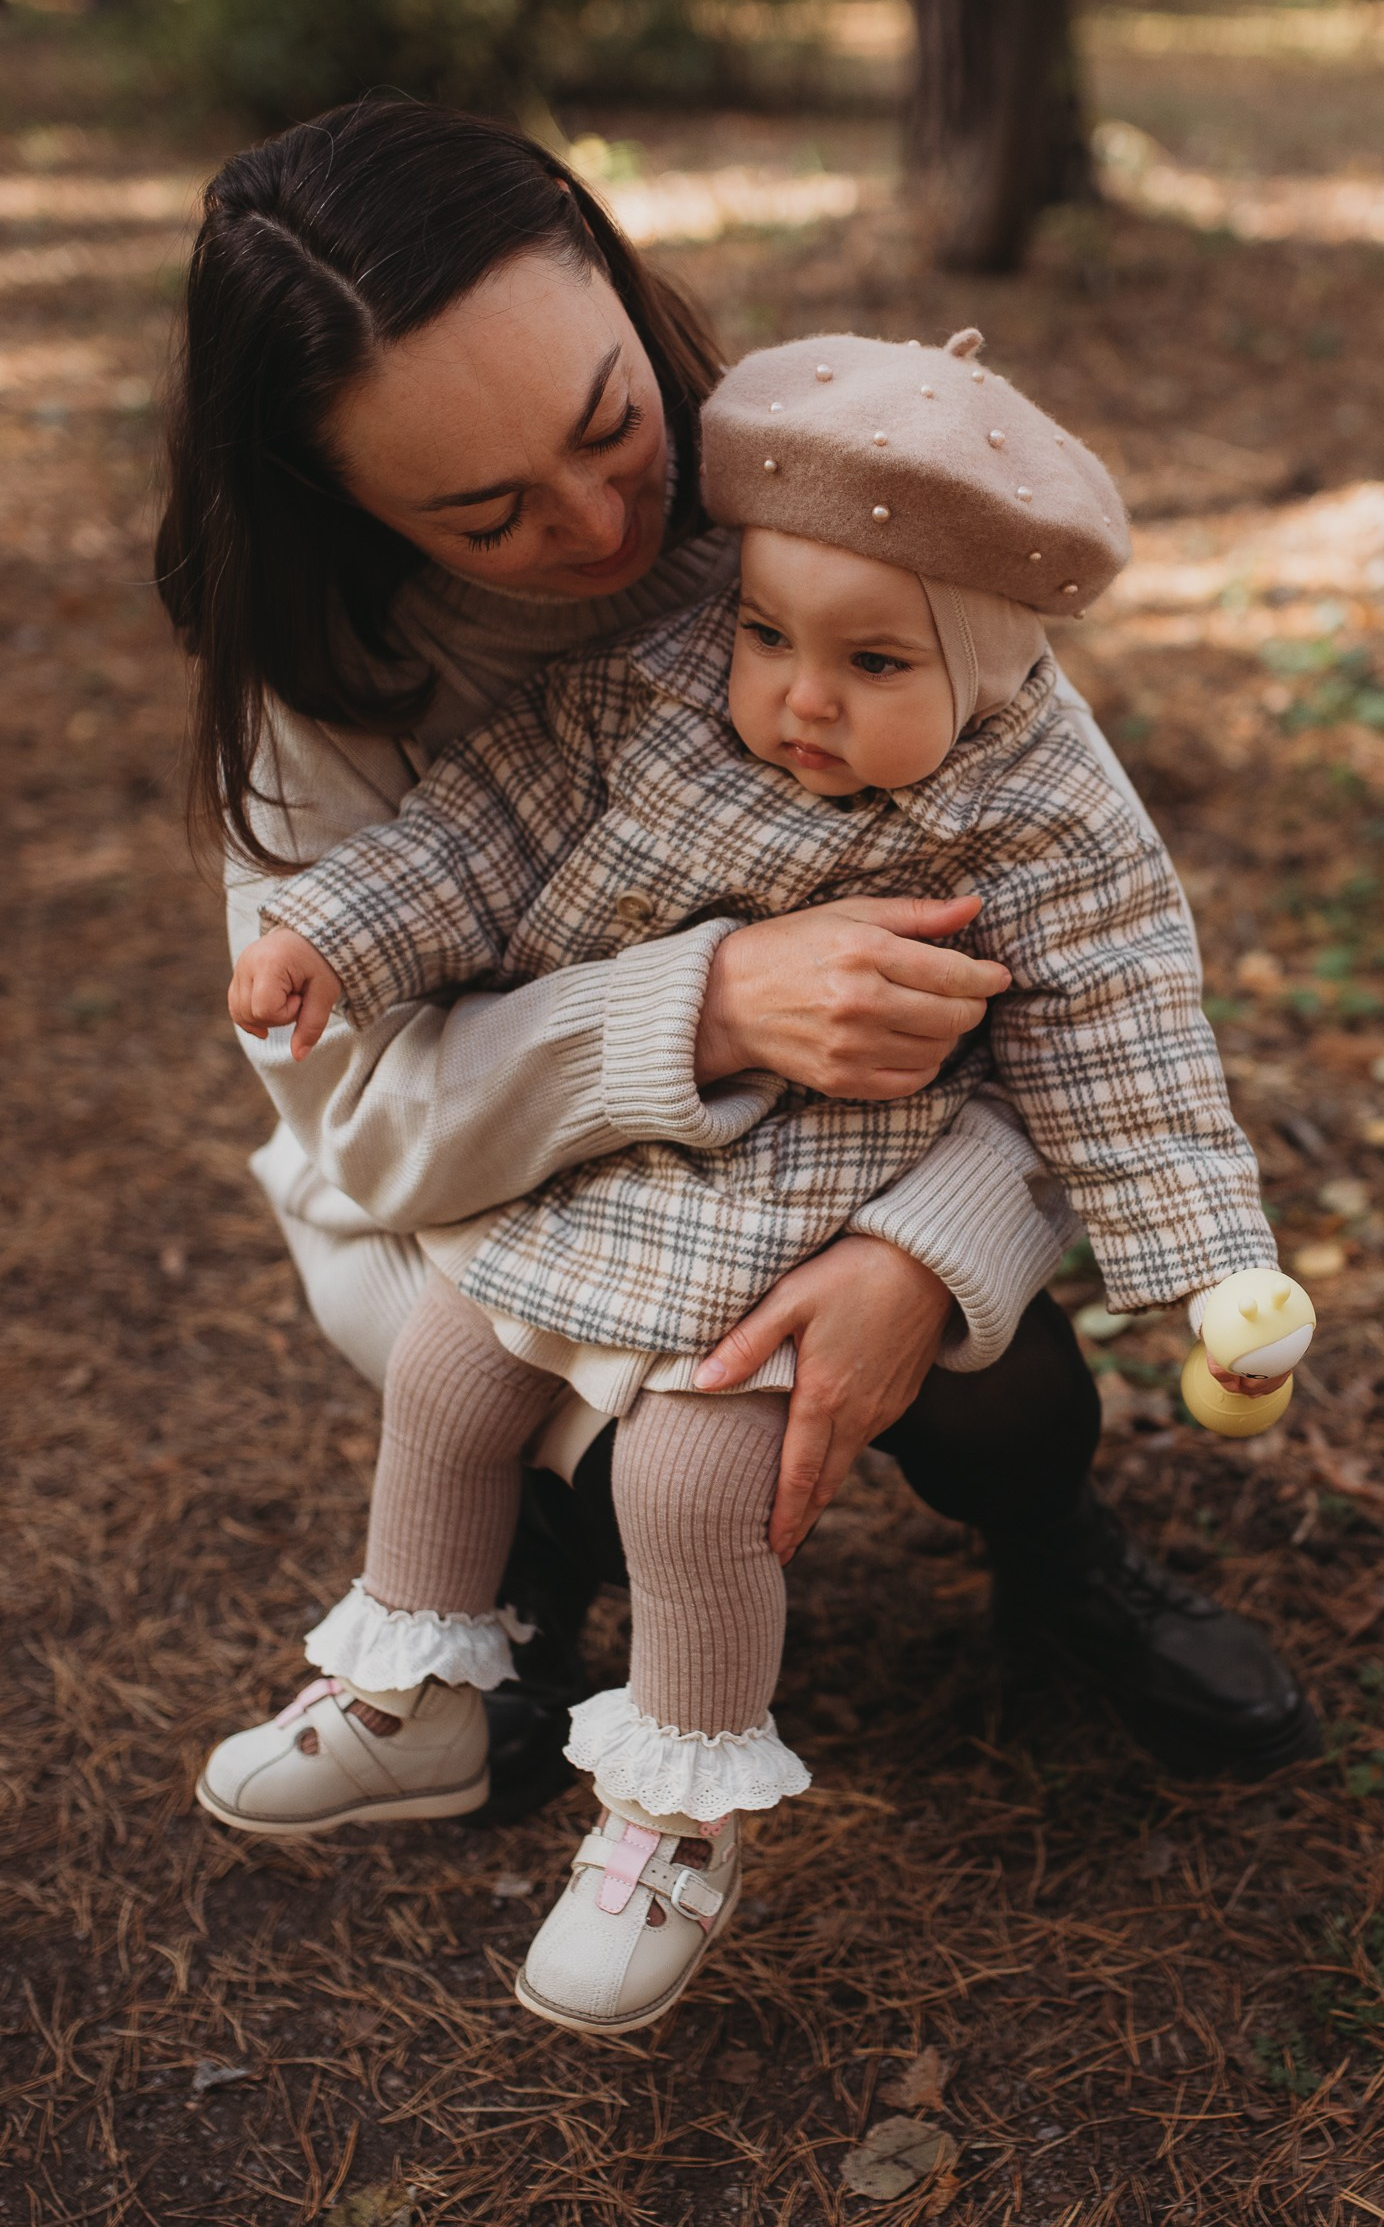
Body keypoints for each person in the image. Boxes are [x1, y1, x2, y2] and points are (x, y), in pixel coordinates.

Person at [156, 98, 1319, 1830]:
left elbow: (1089, 977)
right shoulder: (315, 695)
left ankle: (1057, 1552)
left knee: (999, 1385)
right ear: (343, 505)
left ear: (620, 285)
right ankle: (502, 1615)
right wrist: (703, 1005)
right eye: (488, 513)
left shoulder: (837, 496)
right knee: (595, 1439)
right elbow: (370, 1129)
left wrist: (924, 1250)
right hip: (479, 1207)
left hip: (867, 1154)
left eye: (611, 426)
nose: (598, 526)